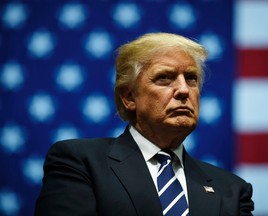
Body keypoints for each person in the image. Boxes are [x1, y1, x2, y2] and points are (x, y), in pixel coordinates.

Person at [34, 32, 254, 216]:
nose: (184, 90)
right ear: (129, 97)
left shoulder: (232, 191)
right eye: (165, 78)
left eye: (191, 78)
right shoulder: (80, 163)